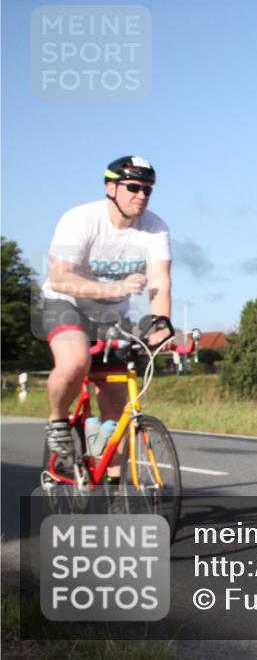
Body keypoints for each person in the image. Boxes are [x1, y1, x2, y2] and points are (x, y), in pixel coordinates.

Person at [42, 155, 172, 466]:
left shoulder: (155, 228)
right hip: (67, 304)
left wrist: (162, 324)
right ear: (110, 187)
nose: (141, 195)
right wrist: (112, 289)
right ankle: (58, 421)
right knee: (75, 362)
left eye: (147, 190)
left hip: (110, 317)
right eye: (133, 187)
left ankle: (113, 491)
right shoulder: (80, 219)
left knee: (118, 403)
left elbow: (161, 283)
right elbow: (60, 277)